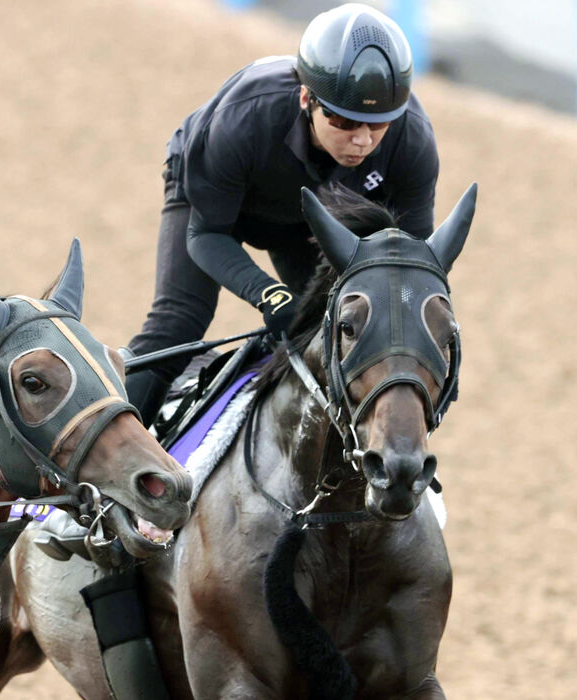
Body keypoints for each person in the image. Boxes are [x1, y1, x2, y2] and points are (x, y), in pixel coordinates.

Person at [124, 3, 439, 427]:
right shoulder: (244, 117)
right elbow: (206, 235)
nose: (362, 140)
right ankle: (89, 472)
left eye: (378, 124)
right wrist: (270, 295)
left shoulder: (412, 142)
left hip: (307, 215)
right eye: (344, 121)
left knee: (335, 333)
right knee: (179, 323)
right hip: (215, 204)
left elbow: (410, 267)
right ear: (307, 98)